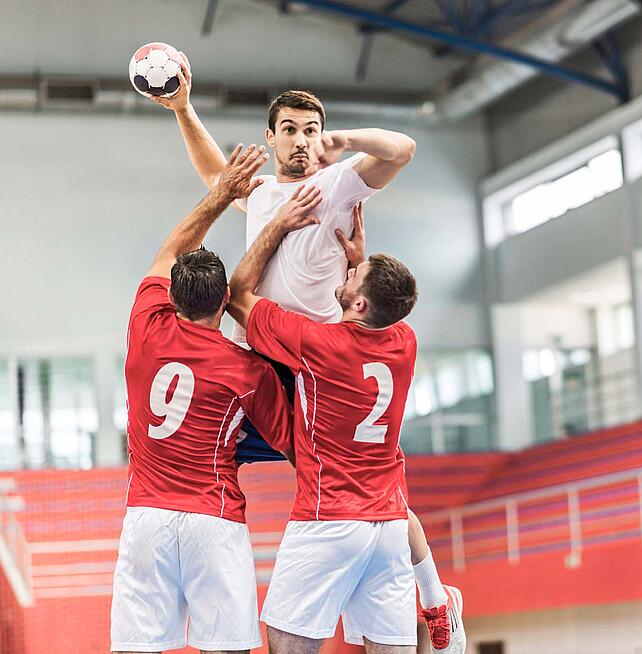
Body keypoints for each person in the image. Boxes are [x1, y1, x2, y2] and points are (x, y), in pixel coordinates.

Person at [152, 56, 464, 653]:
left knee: (378, 487)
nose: (301, 140)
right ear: (271, 137)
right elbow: (217, 174)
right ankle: (216, 593)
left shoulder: (340, 180)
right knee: (207, 467)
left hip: (315, 365)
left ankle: (432, 596)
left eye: (310, 129)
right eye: (290, 129)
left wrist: (342, 142)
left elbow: (401, 150)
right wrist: (184, 110)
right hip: (253, 363)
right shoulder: (263, 192)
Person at [111, 144, 295, 654]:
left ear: (172, 295)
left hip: (146, 516)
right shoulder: (248, 369)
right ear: (223, 304)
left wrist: (221, 195)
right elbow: (293, 445)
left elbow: (169, 250)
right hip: (212, 521)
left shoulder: (146, 326)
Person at [226, 190, 428, 653]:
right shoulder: (404, 341)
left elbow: (239, 295)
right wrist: (362, 264)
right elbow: (381, 307)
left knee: (286, 643)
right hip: (389, 525)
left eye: (353, 274)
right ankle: (438, 608)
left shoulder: (318, 344)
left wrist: (275, 225)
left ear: (359, 304)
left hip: (328, 517)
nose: (348, 269)